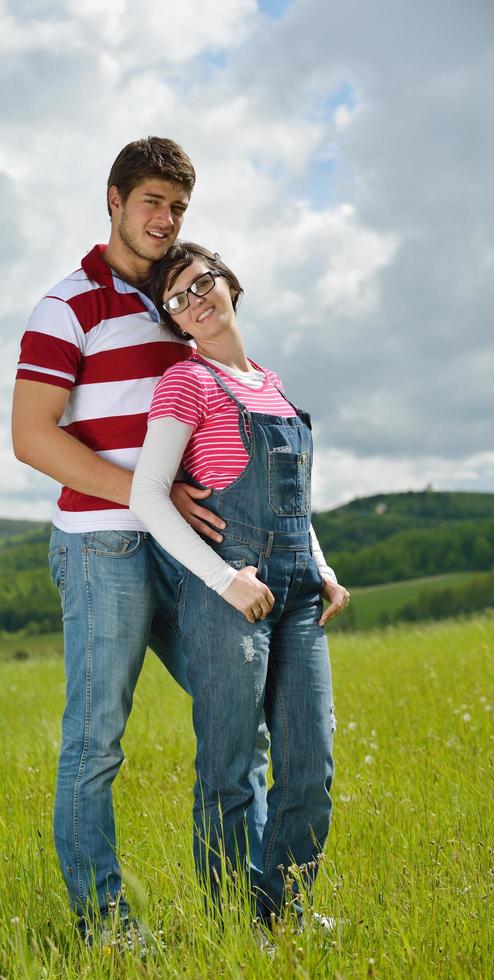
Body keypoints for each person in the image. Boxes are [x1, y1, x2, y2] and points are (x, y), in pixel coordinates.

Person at [11, 138, 272, 945]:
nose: (166, 220)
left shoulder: (173, 307)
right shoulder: (67, 305)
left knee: (242, 720)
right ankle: (105, 924)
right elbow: (30, 437)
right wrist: (146, 496)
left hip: (190, 553)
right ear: (115, 200)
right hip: (102, 548)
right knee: (97, 742)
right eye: (153, 202)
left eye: (180, 208)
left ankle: (250, 914)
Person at [130, 242, 350, 931]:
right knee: (231, 768)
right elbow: (147, 495)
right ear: (176, 323)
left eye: (202, 283)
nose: (196, 300)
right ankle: (234, 931)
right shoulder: (186, 383)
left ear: (229, 284)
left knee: (310, 766)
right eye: (178, 300)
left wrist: (323, 566)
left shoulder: (274, 383)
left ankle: (279, 915)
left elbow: (296, 501)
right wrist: (223, 580)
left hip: (297, 591)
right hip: (230, 590)